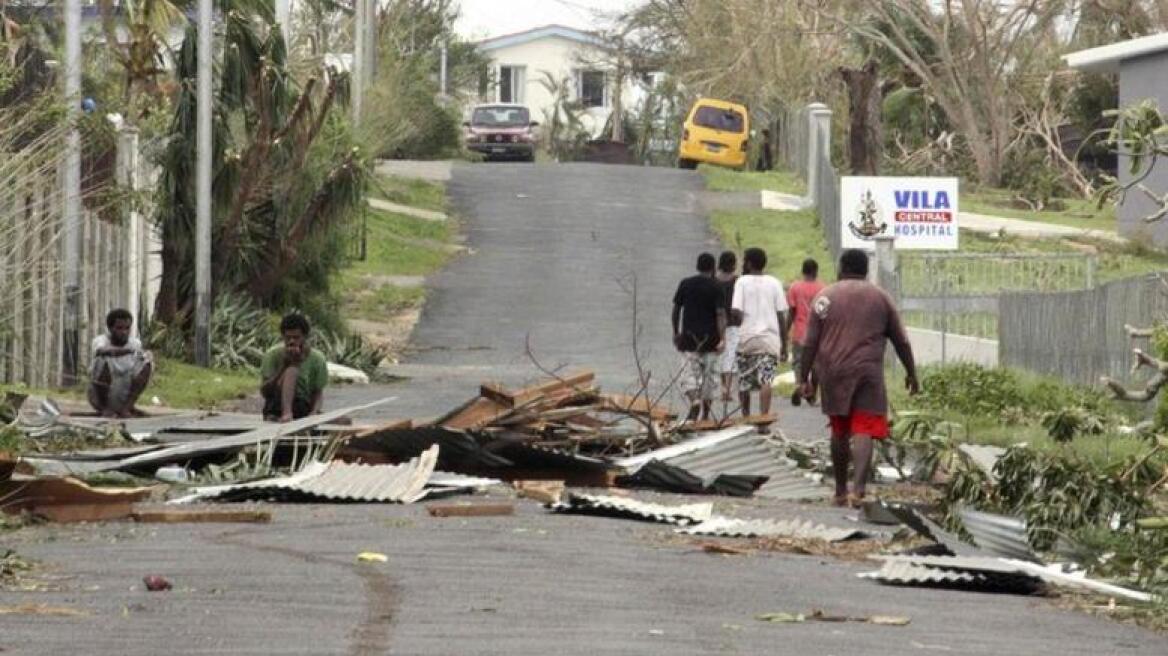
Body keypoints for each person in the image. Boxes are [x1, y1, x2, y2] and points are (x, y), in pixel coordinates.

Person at [797, 249, 920, 508]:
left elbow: (809, 344)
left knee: (840, 430)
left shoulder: (825, 297)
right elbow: (901, 340)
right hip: (867, 372)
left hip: (833, 372)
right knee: (863, 429)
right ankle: (858, 491)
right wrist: (912, 373)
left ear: (841, 268)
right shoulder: (881, 297)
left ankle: (840, 491)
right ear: (865, 270)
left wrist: (804, 377)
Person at [731, 247, 788, 430]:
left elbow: (736, 311)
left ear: (748, 263)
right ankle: (763, 419)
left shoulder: (742, 282)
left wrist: (737, 321)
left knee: (744, 381)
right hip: (770, 340)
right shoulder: (774, 283)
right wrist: (784, 345)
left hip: (747, 338)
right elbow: (781, 315)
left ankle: (746, 417)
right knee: (766, 380)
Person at [672, 252, 727, 421]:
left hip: (689, 339)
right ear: (713, 267)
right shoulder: (717, 287)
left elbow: (676, 310)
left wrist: (676, 332)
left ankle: (694, 400)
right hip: (711, 340)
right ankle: (705, 414)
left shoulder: (686, 284)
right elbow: (720, 314)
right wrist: (722, 337)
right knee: (710, 378)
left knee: (688, 375)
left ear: (697, 266)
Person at [260, 313, 329, 422]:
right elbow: (265, 392)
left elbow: (317, 393)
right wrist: (284, 367)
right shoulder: (272, 355)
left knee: (344, 421)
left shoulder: (317, 359)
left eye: (296, 337)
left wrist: (314, 413)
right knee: (292, 370)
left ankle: (298, 416)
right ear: (283, 336)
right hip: (276, 405)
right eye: (288, 338)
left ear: (305, 337)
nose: (292, 341)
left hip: (302, 406)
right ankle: (286, 413)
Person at [89, 309, 153, 418]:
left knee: (146, 363)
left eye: (127, 328)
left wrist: (146, 355)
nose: (124, 332)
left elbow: (140, 361)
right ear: (110, 328)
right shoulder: (101, 341)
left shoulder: (135, 343)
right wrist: (127, 351)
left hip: (124, 391)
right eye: (119, 328)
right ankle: (106, 409)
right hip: (101, 396)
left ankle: (127, 408)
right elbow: (102, 351)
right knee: (101, 360)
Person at [786, 258, 825, 406]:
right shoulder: (823, 288)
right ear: (816, 271)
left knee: (798, 362)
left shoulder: (795, 288)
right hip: (818, 334)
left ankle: (800, 385)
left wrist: (786, 330)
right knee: (816, 365)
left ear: (803, 271)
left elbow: (791, 311)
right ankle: (813, 392)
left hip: (800, 332)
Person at [715, 251, 741, 407]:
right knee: (730, 356)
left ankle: (723, 386)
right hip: (732, 322)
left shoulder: (714, 280)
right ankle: (728, 388)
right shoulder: (737, 281)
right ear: (732, 264)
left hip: (717, 322)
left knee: (720, 354)